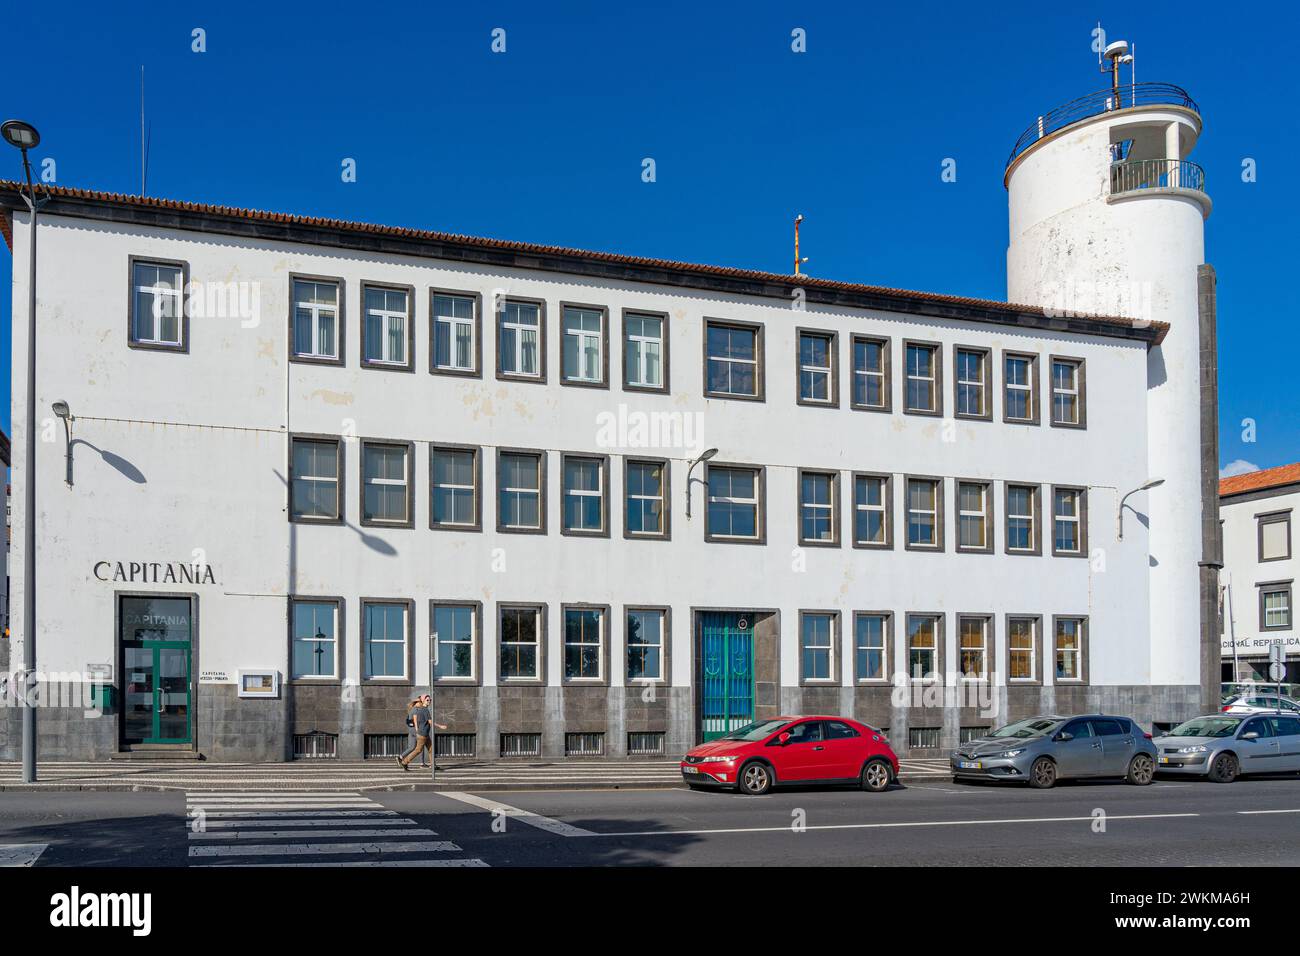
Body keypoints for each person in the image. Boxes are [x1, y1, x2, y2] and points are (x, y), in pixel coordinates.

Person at [398, 694, 447, 772]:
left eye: (430, 700)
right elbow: (430, 722)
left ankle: (433, 765)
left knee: (431, 749)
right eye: (427, 700)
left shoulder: (420, 709)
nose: (429, 701)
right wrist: (440, 726)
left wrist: (417, 728)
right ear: (423, 700)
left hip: (424, 733)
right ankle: (404, 762)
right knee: (418, 750)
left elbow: (415, 718)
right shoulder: (425, 710)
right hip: (423, 734)